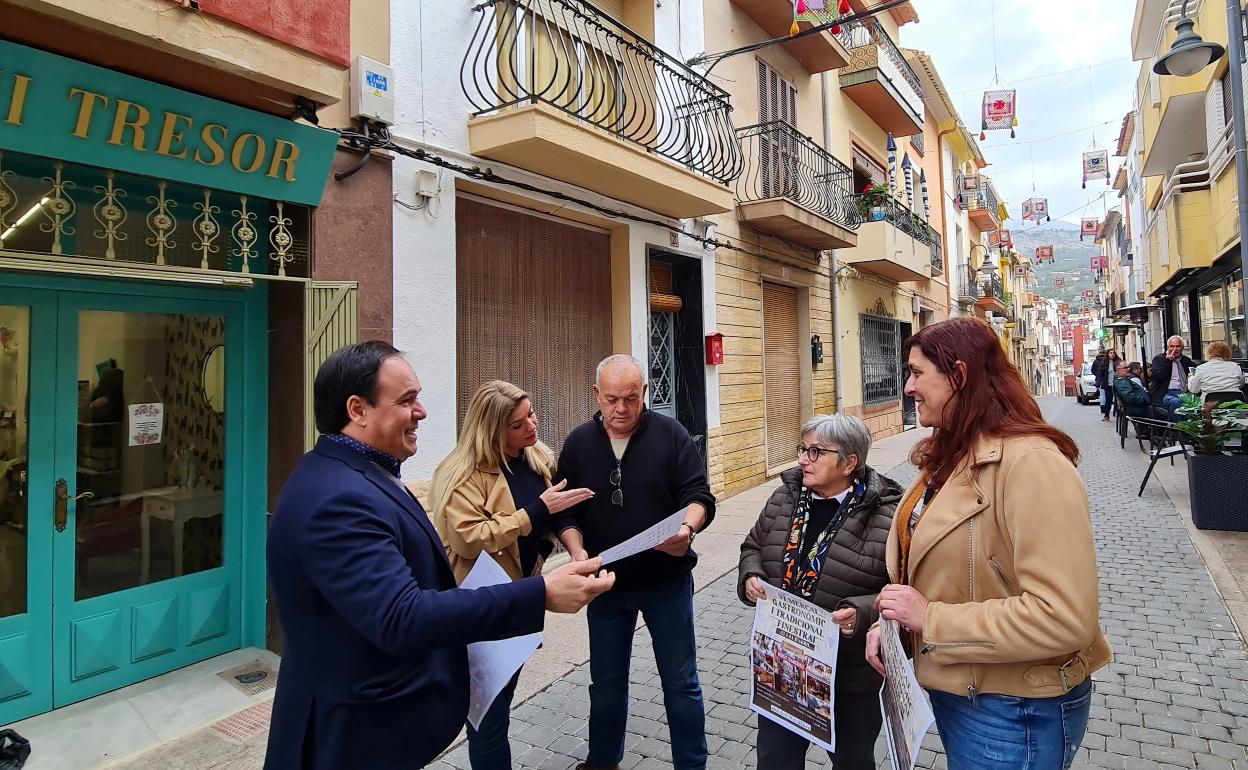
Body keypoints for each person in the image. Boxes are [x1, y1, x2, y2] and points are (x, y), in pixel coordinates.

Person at [264, 342, 615, 770]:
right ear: (357, 409)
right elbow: (401, 616)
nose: (423, 411)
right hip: (346, 739)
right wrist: (539, 593)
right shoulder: (336, 498)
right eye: (407, 400)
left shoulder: (360, 474)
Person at [866, 317, 1112, 770]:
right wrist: (897, 629)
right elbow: (947, 571)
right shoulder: (954, 452)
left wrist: (930, 619)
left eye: (918, 373)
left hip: (1015, 710)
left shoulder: (1032, 464)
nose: (907, 388)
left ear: (958, 375)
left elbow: (1064, 617)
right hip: (968, 691)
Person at [554, 354, 716, 770]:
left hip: (667, 581)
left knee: (681, 684)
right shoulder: (578, 443)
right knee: (606, 686)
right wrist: (576, 551)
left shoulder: (672, 434)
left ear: (645, 393)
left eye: (631, 398)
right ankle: (603, 760)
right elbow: (565, 512)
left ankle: (692, 764)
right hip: (605, 585)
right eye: (612, 399)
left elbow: (699, 496)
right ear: (596, 395)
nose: (621, 409)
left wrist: (687, 532)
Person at [428, 380, 595, 769]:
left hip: (519, 602)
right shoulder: (461, 475)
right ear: (493, 430)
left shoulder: (535, 458)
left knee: (499, 704)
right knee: (487, 718)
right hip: (481, 606)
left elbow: (553, 516)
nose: (532, 426)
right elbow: (469, 539)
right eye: (519, 424)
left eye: (532, 413)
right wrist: (535, 512)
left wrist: (574, 546)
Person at [738, 414, 901, 770]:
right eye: (802, 449)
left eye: (815, 452)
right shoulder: (786, 497)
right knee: (775, 759)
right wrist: (751, 576)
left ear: (849, 463)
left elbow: (903, 590)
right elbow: (753, 545)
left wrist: (862, 614)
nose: (802, 459)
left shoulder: (887, 516)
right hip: (781, 665)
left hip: (848, 675)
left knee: (852, 762)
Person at [1149, 336, 1195, 417]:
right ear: (1167, 347)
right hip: (1166, 394)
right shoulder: (1159, 359)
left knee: (1197, 402)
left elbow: (1195, 373)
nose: (1175, 349)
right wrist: (1168, 361)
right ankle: (1178, 428)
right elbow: (1157, 377)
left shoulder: (1186, 360)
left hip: (1184, 392)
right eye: (1172, 346)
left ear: (1182, 348)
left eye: (1178, 346)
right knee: (1177, 402)